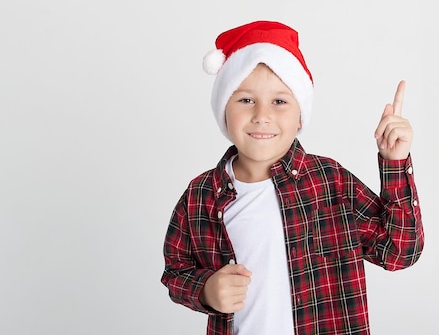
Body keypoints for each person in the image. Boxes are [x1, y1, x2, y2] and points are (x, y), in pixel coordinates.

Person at [161, 20, 424, 335]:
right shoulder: (201, 195)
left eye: (279, 101)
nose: (262, 115)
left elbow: (399, 251)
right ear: (224, 110)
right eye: (245, 100)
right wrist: (205, 289)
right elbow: (176, 271)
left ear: (300, 114)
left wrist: (395, 162)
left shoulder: (331, 183)